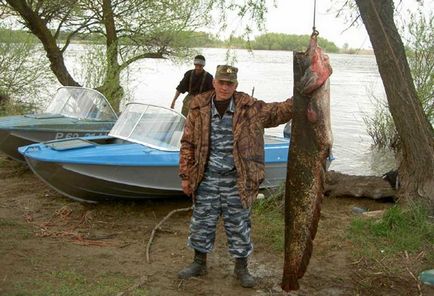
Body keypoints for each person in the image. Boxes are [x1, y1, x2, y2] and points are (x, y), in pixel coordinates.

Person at [177, 65, 293, 288]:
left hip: (238, 179)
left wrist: (303, 95)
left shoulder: (250, 107)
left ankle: (241, 268)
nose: (224, 87)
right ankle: (199, 263)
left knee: (239, 225)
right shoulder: (198, 106)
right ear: (214, 83)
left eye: (229, 83)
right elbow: (187, 144)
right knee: (202, 223)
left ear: (235, 85)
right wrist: (185, 175)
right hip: (206, 177)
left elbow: (280, 111)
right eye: (221, 82)